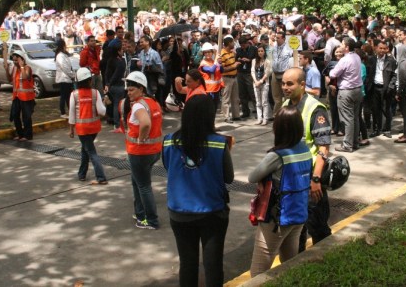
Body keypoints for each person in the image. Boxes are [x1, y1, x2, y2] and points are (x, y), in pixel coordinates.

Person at [162, 94, 234, 287]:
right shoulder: (219, 143)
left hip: (179, 212)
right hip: (212, 212)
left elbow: (169, 168)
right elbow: (229, 178)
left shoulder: (169, 141)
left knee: (187, 263)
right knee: (212, 265)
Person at [248, 106, 311, 277]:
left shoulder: (277, 156)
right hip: (298, 214)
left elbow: (252, 177)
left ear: (279, 129)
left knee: (259, 273)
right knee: (290, 266)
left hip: (277, 220)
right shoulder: (305, 150)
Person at [281, 67, 332, 252]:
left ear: (302, 85)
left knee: (317, 227)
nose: (285, 87)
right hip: (292, 178)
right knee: (296, 231)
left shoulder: (315, 108)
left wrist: (316, 179)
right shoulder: (285, 104)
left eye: (290, 84)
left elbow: (324, 147)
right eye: (283, 83)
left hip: (310, 177)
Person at [119, 71, 163, 230]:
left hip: (140, 152)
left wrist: (141, 138)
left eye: (132, 90)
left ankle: (151, 220)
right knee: (137, 181)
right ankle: (139, 213)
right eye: (128, 90)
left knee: (144, 186)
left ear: (141, 89)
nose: (128, 93)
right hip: (154, 151)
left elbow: (145, 124)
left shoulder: (138, 105)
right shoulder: (153, 102)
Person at [69, 68, 107, 184]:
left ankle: (101, 177)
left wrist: (71, 130)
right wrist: (105, 103)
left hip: (82, 129)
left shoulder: (74, 95)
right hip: (94, 128)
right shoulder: (95, 93)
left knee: (91, 152)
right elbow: (102, 111)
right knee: (85, 150)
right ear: (90, 80)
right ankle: (82, 174)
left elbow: (71, 113)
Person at [330, 37, 365, 152]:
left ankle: (347, 144)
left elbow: (333, 74)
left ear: (347, 47)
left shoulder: (345, 60)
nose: (340, 45)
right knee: (354, 118)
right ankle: (354, 142)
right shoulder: (357, 57)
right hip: (357, 90)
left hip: (347, 91)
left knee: (347, 119)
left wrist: (331, 71)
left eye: (342, 44)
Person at [365, 41, 397, 138]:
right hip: (374, 87)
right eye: (380, 48)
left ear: (387, 49)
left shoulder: (391, 61)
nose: (382, 50)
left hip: (386, 88)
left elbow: (394, 75)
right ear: (376, 48)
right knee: (375, 109)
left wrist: (390, 87)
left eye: (384, 48)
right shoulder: (372, 59)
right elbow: (367, 73)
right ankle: (376, 129)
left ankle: (387, 129)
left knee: (386, 109)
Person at [3, 48, 35, 141]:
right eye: (13, 60)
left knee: (26, 117)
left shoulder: (27, 68)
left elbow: (26, 77)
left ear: (22, 59)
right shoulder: (14, 69)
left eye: (16, 60)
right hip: (16, 96)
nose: (15, 62)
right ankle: (20, 134)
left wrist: (21, 66)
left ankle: (27, 135)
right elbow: (9, 80)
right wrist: (6, 69)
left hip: (27, 97)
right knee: (15, 115)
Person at [270, 31, 294, 116]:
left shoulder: (289, 48)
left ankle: (287, 113)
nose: (276, 39)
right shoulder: (273, 47)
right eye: (276, 37)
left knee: (287, 94)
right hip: (275, 73)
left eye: (278, 38)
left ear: (283, 38)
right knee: (276, 96)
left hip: (285, 73)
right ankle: (276, 114)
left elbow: (294, 57)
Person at [104, 40, 126, 132]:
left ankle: (117, 124)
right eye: (121, 49)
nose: (123, 51)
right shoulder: (120, 62)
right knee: (118, 105)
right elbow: (116, 75)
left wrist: (107, 84)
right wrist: (110, 84)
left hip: (112, 86)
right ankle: (117, 125)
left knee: (115, 105)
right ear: (118, 51)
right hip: (118, 85)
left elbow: (107, 74)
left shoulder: (110, 60)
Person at [219, 36, 242, 123]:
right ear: (229, 43)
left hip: (234, 77)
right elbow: (223, 69)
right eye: (232, 42)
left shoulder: (232, 52)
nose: (234, 44)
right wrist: (234, 66)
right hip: (226, 78)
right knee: (226, 98)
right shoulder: (222, 54)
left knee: (235, 98)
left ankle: (236, 115)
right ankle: (226, 116)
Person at [235, 36, 257, 119]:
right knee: (242, 93)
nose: (243, 47)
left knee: (252, 92)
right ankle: (245, 111)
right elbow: (236, 59)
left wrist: (249, 60)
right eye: (241, 45)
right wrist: (240, 60)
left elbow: (255, 59)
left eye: (244, 45)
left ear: (247, 43)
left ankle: (257, 111)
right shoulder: (238, 50)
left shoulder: (253, 49)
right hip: (240, 72)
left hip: (249, 72)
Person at [199, 42, 223, 112]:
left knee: (214, 109)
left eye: (209, 52)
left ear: (212, 52)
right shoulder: (203, 63)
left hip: (216, 89)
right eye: (205, 52)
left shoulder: (213, 62)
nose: (207, 54)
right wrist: (216, 61)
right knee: (208, 110)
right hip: (207, 90)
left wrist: (220, 63)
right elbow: (211, 70)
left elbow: (221, 71)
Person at [251, 44, 271, 125]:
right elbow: (252, 71)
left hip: (264, 83)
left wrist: (261, 81)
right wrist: (255, 81)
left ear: (264, 52)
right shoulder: (254, 61)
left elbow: (267, 73)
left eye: (262, 51)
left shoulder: (267, 61)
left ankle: (265, 118)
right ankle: (259, 118)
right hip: (256, 83)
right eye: (259, 51)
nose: (260, 53)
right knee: (258, 102)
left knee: (264, 102)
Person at [54, 39, 75, 119]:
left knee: (67, 97)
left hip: (66, 78)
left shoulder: (63, 55)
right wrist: (72, 75)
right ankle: (63, 112)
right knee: (64, 96)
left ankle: (70, 111)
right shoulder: (60, 56)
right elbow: (65, 68)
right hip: (64, 79)